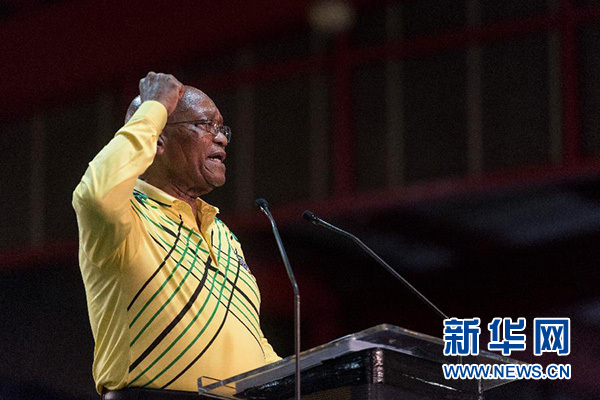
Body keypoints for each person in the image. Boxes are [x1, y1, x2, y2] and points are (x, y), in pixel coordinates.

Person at [72, 72, 280, 397]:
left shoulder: (222, 234)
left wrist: (298, 377)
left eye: (221, 128)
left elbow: (249, 334)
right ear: (157, 140)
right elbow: (95, 195)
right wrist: (154, 107)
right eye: (205, 125)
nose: (222, 139)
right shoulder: (126, 216)